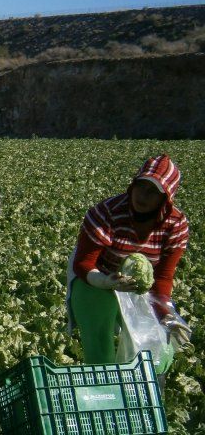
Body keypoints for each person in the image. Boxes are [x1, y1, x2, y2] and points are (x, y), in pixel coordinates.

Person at [67, 154, 191, 365]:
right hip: (96, 277)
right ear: (132, 185)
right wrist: (106, 281)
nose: (143, 196)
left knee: (156, 344)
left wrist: (166, 314)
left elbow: (163, 277)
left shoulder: (175, 224)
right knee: (99, 340)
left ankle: (147, 389)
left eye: (153, 192)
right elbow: (84, 264)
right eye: (141, 186)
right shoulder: (106, 212)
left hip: (139, 286)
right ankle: (104, 388)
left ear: (165, 198)